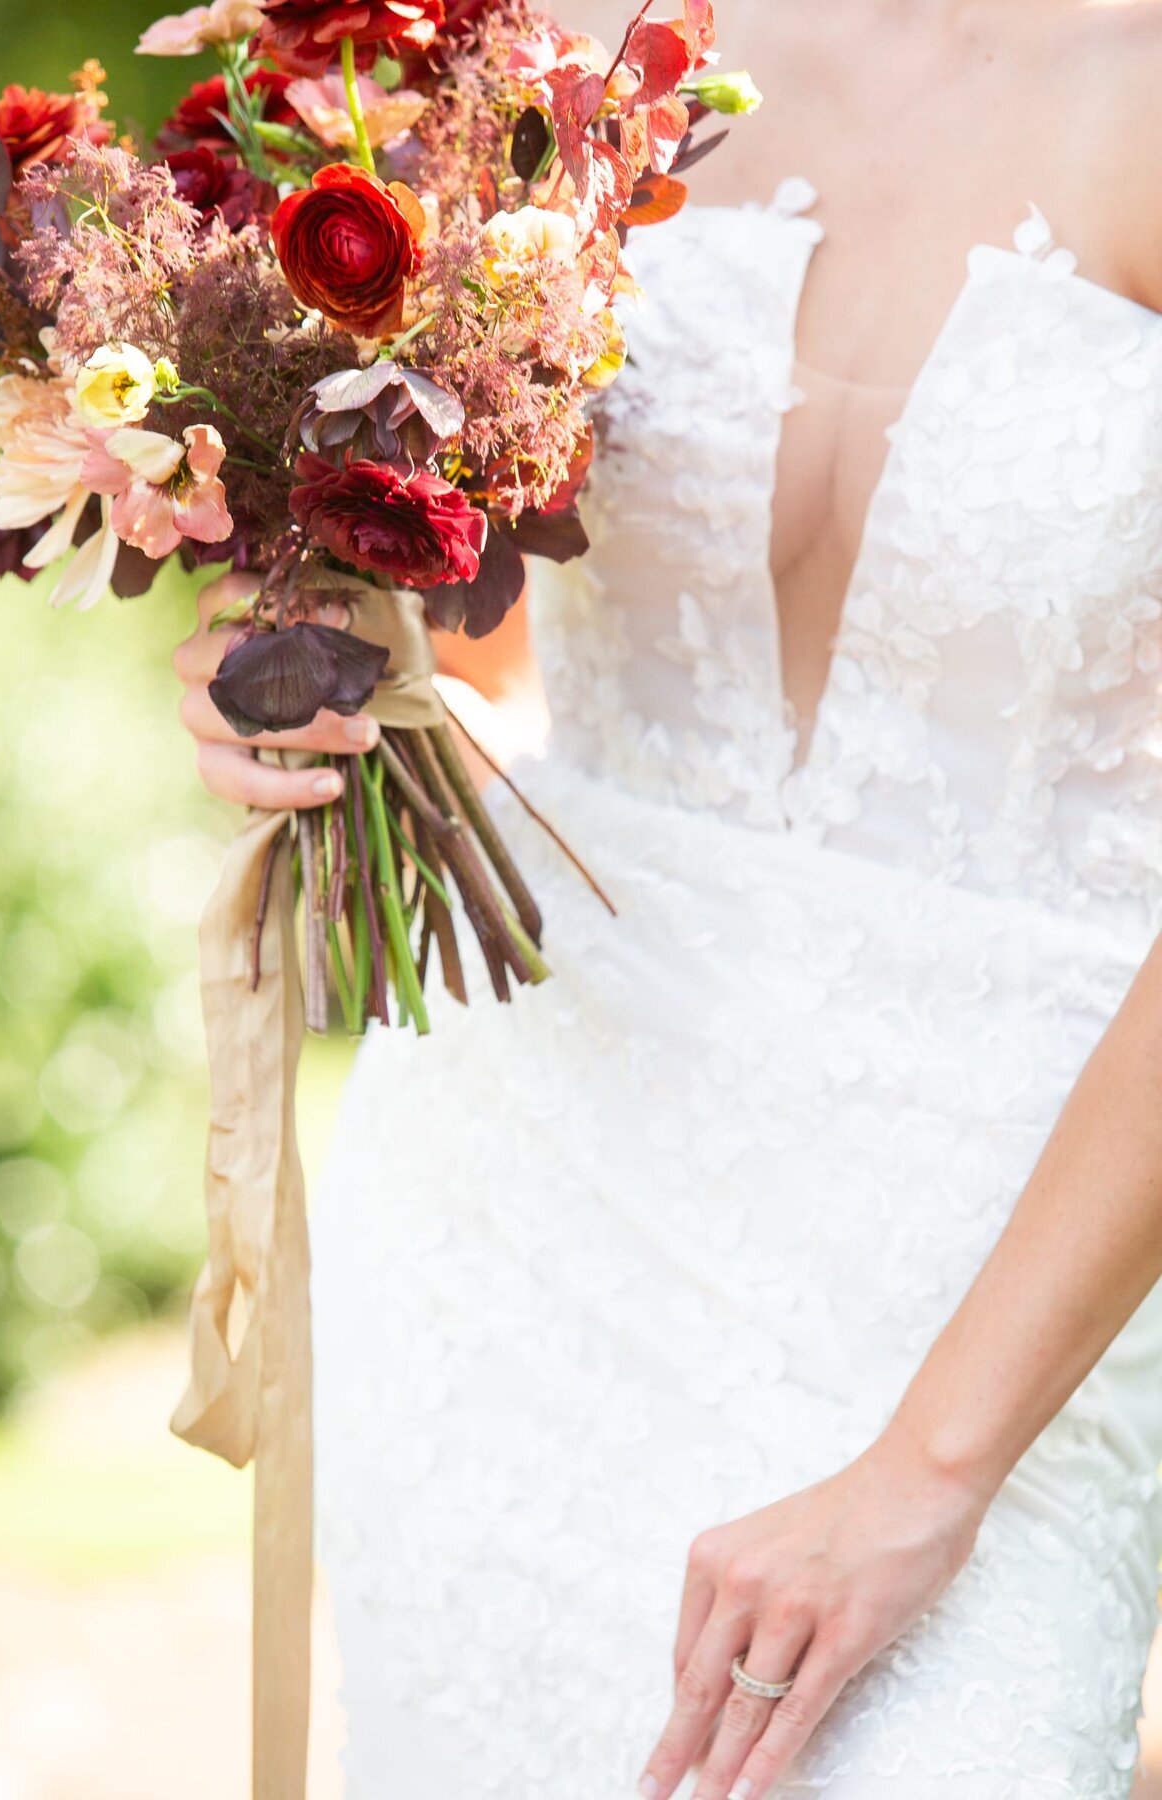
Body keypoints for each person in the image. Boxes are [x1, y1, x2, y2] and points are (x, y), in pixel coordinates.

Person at [173, 1, 1162, 1794]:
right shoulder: (575, 37)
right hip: (519, 1205)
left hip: (986, 1279)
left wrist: (925, 1478)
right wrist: (334, 673)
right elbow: (480, 602)